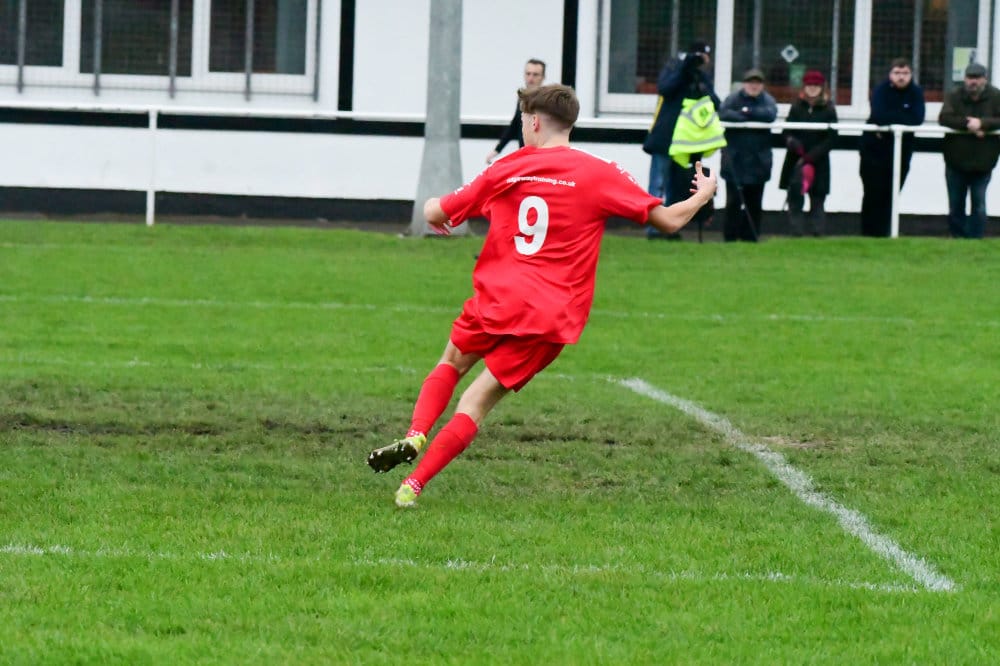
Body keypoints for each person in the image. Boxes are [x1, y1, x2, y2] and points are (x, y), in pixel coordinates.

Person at [367, 84, 717, 508]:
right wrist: (702, 195)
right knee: (476, 401)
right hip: (550, 315)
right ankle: (413, 485)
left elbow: (437, 212)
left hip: (497, 298)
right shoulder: (599, 172)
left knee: (451, 363)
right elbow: (668, 221)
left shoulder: (509, 168)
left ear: (533, 122)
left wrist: (434, 211)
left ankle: (415, 433)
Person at [642, 40, 721, 239]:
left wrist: (699, 79)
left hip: (686, 143)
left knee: (675, 186)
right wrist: (685, 68)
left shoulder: (701, 77)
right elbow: (665, 88)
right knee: (658, 183)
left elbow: (714, 102)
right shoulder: (675, 69)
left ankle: (669, 226)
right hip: (666, 138)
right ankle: (654, 227)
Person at [859, 58, 926, 237]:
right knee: (873, 193)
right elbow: (879, 115)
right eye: (897, 73)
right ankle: (868, 234)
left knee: (892, 193)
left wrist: (892, 119)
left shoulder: (916, 93)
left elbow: (917, 118)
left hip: (902, 151)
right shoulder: (880, 90)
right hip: (874, 152)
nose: (901, 77)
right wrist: (902, 117)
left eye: (905, 73)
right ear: (890, 74)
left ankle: (886, 232)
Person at [938, 62, 1000, 239]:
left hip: (983, 161)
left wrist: (983, 124)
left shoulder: (996, 96)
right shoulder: (954, 95)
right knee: (956, 204)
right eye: (970, 78)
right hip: (956, 160)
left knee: (979, 203)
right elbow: (944, 118)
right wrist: (968, 124)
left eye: (977, 78)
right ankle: (957, 238)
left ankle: (975, 238)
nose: (973, 82)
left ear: (985, 79)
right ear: (965, 79)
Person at [718, 67, 778, 241]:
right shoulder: (733, 99)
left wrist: (747, 112)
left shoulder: (768, 100)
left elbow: (770, 115)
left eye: (757, 83)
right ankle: (729, 238)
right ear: (744, 84)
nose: (754, 86)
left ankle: (751, 237)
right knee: (733, 203)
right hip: (735, 161)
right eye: (751, 82)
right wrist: (746, 116)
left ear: (762, 85)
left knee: (754, 203)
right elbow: (724, 113)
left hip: (758, 162)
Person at [778, 69, 838, 236]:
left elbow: (832, 138)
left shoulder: (829, 109)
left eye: (816, 85)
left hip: (819, 161)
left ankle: (817, 233)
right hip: (796, 160)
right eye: (809, 85)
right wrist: (792, 142)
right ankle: (796, 232)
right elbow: (786, 131)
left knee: (817, 199)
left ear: (822, 88)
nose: (812, 88)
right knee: (795, 198)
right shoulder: (796, 107)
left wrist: (812, 156)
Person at [485, 59, 546, 164]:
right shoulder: (523, 98)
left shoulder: (547, 101)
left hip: (540, 155)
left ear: (543, 77)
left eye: (535, 75)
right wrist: (497, 150)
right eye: (528, 74)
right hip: (524, 153)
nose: (531, 78)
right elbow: (515, 124)